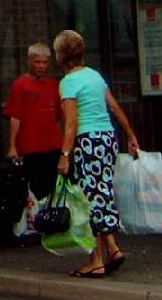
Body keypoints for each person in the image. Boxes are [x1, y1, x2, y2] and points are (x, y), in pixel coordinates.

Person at [52, 29, 141, 279]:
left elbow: (71, 122)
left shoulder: (68, 82)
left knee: (89, 198)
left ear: (60, 56)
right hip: (106, 138)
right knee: (102, 192)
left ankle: (96, 260)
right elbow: (113, 106)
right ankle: (112, 249)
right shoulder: (95, 76)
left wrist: (65, 153)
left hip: (86, 141)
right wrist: (131, 135)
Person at [3, 43, 64, 200]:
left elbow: (59, 116)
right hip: (30, 147)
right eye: (37, 62)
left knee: (52, 188)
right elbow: (15, 117)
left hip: (53, 146)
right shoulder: (20, 85)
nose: (41, 66)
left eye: (45, 62)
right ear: (30, 61)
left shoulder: (53, 85)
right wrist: (13, 146)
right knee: (33, 189)